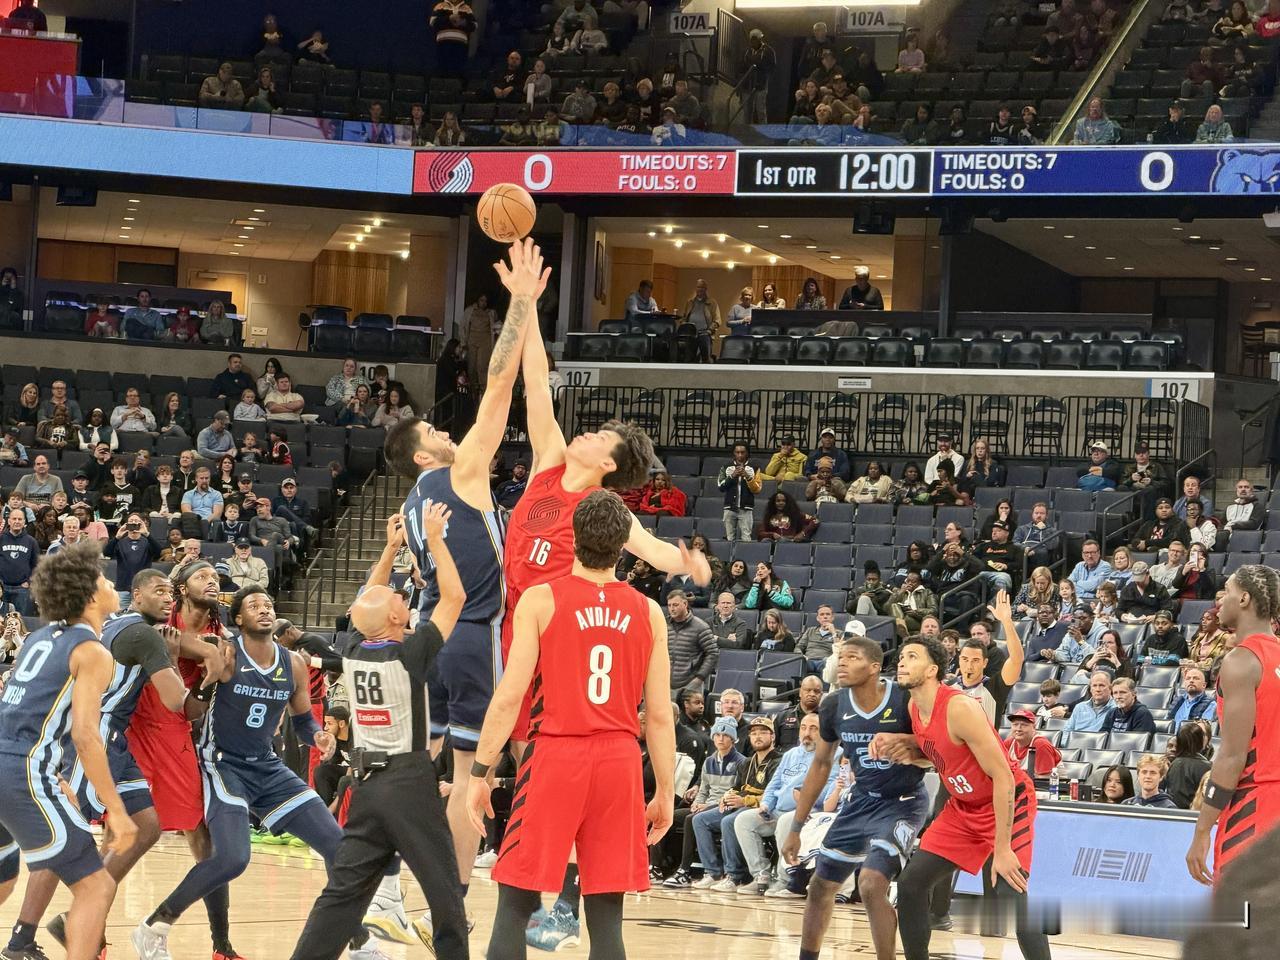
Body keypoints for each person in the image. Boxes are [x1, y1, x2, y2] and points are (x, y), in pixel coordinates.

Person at [466, 490, 674, 960]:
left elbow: (509, 697)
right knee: (607, 916)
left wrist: (480, 772)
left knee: (515, 902)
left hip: (557, 755)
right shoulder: (650, 612)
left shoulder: (541, 599)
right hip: (620, 762)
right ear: (624, 546)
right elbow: (660, 716)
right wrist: (664, 789)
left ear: (572, 537)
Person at [129, 585, 351, 960]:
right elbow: (177, 646)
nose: (264, 609)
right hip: (222, 763)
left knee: (340, 848)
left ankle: (358, 940)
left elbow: (302, 722)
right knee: (233, 857)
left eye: (268, 604)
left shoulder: (294, 664)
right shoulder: (225, 652)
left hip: (267, 766)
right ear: (239, 618)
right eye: (253, 605)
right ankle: (155, 925)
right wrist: (171, 641)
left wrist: (319, 736)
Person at [289, 507, 468, 960]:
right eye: (398, 599)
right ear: (394, 617)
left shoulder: (352, 649)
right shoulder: (411, 653)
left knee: (341, 897)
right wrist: (435, 539)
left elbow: (364, 603)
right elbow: (455, 598)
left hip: (365, 786)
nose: (402, 597)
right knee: (445, 893)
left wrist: (390, 549)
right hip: (408, 782)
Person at [9, 570, 205, 960]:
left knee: (146, 825)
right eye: (159, 591)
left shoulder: (113, 625)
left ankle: (80, 910)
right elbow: (176, 702)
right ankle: (22, 938)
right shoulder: (142, 633)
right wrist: (209, 676)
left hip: (114, 737)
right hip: (96, 731)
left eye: (170, 591)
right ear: (137, 595)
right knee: (63, 836)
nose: (168, 598)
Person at [874, 609, 1050, 960]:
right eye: (902, 656)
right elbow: (941, 756)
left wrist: (1002, 848)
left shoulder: (959, 708)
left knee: (1011, 895)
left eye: (912, 656)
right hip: (963, 807)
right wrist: (908, 753)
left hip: (1007, 799)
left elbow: (1002, 776)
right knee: (911, 885)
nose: (902, 662)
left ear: (932, 670)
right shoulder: (914, 708)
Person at [0, 541, 135, 960]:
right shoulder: (92, 651)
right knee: (96, 885)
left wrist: (55, 775)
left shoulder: (40, 637)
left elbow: (24, 710)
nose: (112, 585)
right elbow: (85, 735)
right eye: (104, 580)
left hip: (11, 761)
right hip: (21, 773)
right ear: (91, 596)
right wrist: (117, 810)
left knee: (3, 879)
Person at [783, 635, 929, 960]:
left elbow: (935, 751)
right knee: (819, 887)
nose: (843, 663)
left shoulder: (904, 698)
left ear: (875, 667)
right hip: (861, 800)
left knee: (871, 884)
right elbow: (821, 764)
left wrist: (909, 746)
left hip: (902, 802)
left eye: (852, 657)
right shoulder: (833, 705)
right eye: (841, 657)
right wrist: (796, 827)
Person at [1186, 565, 1280, 885]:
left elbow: (1232, 757)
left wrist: (1202, 830)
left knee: (1241, 914)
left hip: (1255, 803)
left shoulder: (1241, 661)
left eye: (1226, 591)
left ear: (1243, 599)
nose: (1219, 601)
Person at [1163, 723, 1212, 809]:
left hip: (1173, 812)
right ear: (1200, 741)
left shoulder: (1174, 764)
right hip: (1195, 813)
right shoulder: (1207, 767)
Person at [1003, 709, 1062, 777]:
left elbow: (1044, 778)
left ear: (1034, 728)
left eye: (1024, 725)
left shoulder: (1041, 744)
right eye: (1015, 724)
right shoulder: (1009, 743)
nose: (1018, 729)